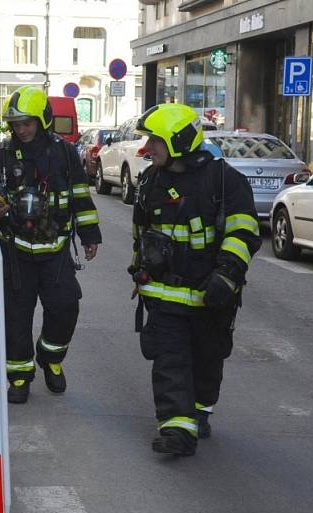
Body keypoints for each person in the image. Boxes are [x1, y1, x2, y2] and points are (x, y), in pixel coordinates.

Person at [129, 103, 261, 457]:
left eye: (155, 141)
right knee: (170, 361)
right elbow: (141, 231)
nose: (148, 148)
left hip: (211, 296)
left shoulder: (224, 181)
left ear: (178, 141)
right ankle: (176, 430)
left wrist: (226, 275)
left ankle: (200, 410)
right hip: (166, 295)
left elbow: (244, 233)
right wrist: (137, 269)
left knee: (207, 362)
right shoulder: (150, 180)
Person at [0, 86, 101, 404]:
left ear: (42, 120)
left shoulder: (65, 154)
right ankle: (18, 377)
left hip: (55, 252)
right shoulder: (0, 155)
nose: (22, 129)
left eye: (27, 122)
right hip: (14, 252)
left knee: (65, 307)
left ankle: (50, 357)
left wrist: (90, 235)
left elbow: (80, 196)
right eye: (16, 124)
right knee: (16, 318)